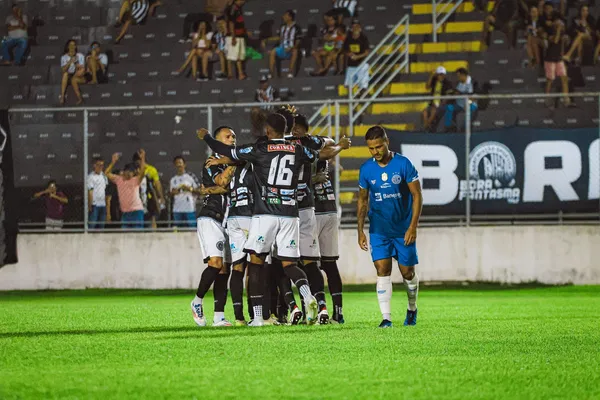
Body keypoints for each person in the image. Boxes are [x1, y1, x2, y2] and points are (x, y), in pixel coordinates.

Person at [197, 114, 343, 327]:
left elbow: (230, 152)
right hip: (291, 215)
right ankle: (308, 296)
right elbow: (320, 155)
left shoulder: (261, 149)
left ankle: (257, 317)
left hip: (265, 214)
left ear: (268, 131)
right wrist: (340, 146)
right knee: (290, 263)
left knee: (256, 263)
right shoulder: (298, 149)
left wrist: (207, 138)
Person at [357, 126, 423, 328]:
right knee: (382, 268)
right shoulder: (366, 169)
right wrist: (360, 230)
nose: (375, 152)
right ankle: (386, 318)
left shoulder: (403, 164)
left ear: (387, 142)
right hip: (379, 229)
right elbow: (362, 200)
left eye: (378, 147)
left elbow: (417, 196)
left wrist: (413, 227)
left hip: (403, 229)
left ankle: (412, 308)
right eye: (371, 148)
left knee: (407, 273)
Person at [295, 114, 349, 324]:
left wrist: (311, 179)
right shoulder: (318, 142)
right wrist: (340, 146)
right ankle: (338, 312)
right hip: (330, 207)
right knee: (329, 264)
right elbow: (330, 143)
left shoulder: (299, 148)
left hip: (313, 210)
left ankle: (315, 309)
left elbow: (299, 177)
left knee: (308, 263)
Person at [191, 127, 237, 327]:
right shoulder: (212, 162)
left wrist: (213, 189)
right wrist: (234, 162)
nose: (233, 139)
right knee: (216, 263)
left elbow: (222, 188)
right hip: (210, 217)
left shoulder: (229, 161)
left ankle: (219, 316)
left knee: (224, 270)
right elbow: (223, 183)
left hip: (227, 221)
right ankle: (197, 301)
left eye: (234, 136)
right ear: (217, 141)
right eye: (228, 137)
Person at [105, 151, 146, 229]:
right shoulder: (118, 179)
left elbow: (143, 172)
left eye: (133, 172)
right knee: (125, 236)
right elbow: (106, 173)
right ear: (125, 171)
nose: (131, 174)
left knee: (138, 236)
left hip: (136, 211)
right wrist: (113, 162)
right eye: (130, 172)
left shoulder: (135, 180)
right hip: (125, 213)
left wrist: (142, 158)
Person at [544, 16, 572, 107]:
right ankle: (547, 98)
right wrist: (558, 31)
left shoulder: (563, 35)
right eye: (558, 25)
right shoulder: (550, 35)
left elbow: (562, 46)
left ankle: (566, 98)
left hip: (558, 59)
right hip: (550, 60)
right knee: (550, 80)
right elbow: (555, 41)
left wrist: (563, 56)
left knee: (564, 77)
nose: (560, 26)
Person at [133, 152, 164, 229]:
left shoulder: (151, 169)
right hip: (136, 203)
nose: (139, 163)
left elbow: (157, 184)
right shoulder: (132, 171)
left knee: (152, 221)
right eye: (137, 162)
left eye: (140, 160)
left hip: (149, 200)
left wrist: (161, 197)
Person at [267, 10, 301, 79]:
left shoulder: (297, 28)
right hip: (282, 48)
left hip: (291, 49)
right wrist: (267, 40)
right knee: (273, 51)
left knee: (295, 51)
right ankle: (271, 73)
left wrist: (291, 48)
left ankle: (290, 72)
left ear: (290, 17)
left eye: (285, 16)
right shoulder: (282, 27)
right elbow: (279, 38)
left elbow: (298, 42)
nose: (283, 17)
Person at [169, 156, 201, 228]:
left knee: (192, 230)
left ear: (184, 164)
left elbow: (200, 190)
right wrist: (173, 192)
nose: (179, 165)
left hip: (189, 209)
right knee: (177, 231)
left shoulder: (190, 176)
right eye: (177, 163)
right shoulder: (173, 179)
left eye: (180, 163)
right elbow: (170, 194)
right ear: (174, 165)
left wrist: (189, 189)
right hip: (177, 210)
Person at [443, 68, 478, 132]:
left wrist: (468, 103)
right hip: (459, 105)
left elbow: (474, 96)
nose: (458, 78)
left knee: (471, 108)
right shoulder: (458, 83)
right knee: (449, 107)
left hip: (470, 104)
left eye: (459, 76)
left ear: (463, 75)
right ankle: (448, 127)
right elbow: (456, 93)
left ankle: (465, 128)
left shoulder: (473, 82)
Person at [423, 66, 452, 132]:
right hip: (432, 103)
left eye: (442, 74)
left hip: (441, 104)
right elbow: (427, 87)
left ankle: (426, 126)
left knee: (434, 111)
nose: (440, 76)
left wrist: (440, 104)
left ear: (444, 75)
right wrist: (431, 76)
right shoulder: (434, 81)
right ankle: (427, 125)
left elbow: (448, 96)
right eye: (439, 74)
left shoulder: (447, 83)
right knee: (424, 111)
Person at [343, 20, 370, 89]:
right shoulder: (348, 38)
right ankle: (351, 98)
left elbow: (366, 52)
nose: (355, 28)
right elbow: (345, 50)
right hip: (351, 64)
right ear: (351, 28)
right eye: (354, 26)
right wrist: (349, 54)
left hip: (362, 63)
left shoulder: (363, 38)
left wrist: (357, 56)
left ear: (360, 27)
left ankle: (363, 95)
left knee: (363, 84)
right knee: (347, 85)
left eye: (357, 26)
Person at [59, 40, 86, 105]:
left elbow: (82, 70)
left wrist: (76, 62)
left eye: (74, 45)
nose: (72, 47)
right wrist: (70, 61)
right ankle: (62, 96)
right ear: (68, 46)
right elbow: (63, 70)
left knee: (75, 78)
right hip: (69, 75)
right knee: (65, 74)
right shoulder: (64, 57)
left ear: (75, 46)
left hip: (79, 75)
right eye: (70, 45)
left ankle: (80, 98)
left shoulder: (80, 55)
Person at [226, 0, 248, 80]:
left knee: (238, 56)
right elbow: (231, 23)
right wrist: (233, 37)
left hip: (239, 36)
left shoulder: (238, 8)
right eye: (243, 1)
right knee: (231, 56)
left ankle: (240, 74)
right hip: (234, 36)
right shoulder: (233, 8)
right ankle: (230, 74)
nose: (244, 2)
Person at [87, 157, 109, 229]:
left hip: (103, 205)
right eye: (98, 165)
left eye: (102, 165)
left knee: (101, 227)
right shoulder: (90, 177)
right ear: (94, 165)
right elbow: (90, 192)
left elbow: (105, 191)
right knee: (92, 226)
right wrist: (90, 205)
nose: (100, 167)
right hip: (94, 205)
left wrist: (106, 205)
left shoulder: (104, 176)